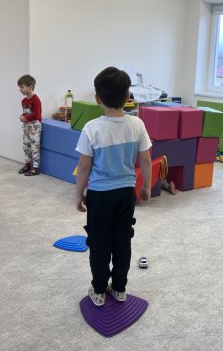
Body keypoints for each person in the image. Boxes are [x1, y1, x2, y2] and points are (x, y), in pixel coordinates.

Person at [75, 66, 152, 306]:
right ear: (128, 96)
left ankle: (99, 290)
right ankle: (119, 288)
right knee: (122, 240)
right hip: (126, 193)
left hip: (99, 195)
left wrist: (78, 194)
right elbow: (146, 159)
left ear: (98, 98)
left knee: (99, 242)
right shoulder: (137, 124)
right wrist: (147, 186)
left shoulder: (92, 128)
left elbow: (84, 167)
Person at [17, 74, 42, 176]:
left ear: (30, 87)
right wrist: (22, 116)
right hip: (26, 127)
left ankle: (35, 168)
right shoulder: (23, 101)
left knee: (34, 147)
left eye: (22, 87)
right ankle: (27, 165)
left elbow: (37, 115)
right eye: (19, 87)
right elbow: (26, 113)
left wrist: (26, 118)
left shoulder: (35, 99)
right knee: (26, 146)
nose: (20, 89)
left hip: (34, 127)